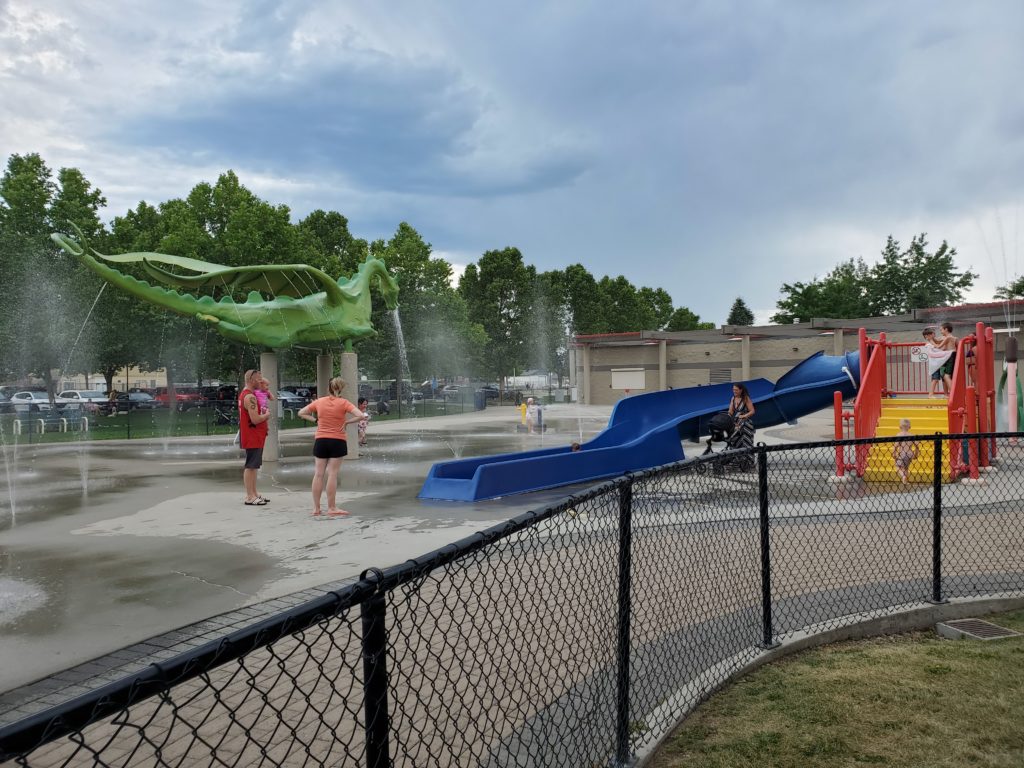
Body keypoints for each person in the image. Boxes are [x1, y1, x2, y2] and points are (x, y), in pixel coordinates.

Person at [297, 377, 368, 517]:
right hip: (337, 440)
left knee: (318, 474)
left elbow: (301, 412)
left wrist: (315, 420)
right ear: (341, 388)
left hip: (321, 440)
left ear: (328, 388)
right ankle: (332, 507)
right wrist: (347, 423)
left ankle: (316, 508)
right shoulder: (344, 403)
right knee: (332, 474)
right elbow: (361, 415)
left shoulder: (319, 401)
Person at [239, 369, 271, 506]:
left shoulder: (248, 395)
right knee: (251, 466)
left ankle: (254, 493)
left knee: (254, 466)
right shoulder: (250, 397)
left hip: (255, 435)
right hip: (252, 436)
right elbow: (255, 419)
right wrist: (266, 415)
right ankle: (249, 496)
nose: (262, 381)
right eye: (259, 379)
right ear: (252, 380)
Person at [727, 383, 756, 452]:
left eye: (736, 390)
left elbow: (752, 411)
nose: (734, 391)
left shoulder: (746, 398)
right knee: (735, 441)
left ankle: (748, 460)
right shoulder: (733, 398)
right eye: (733, 390)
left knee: (746, 442)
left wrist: (744, 416)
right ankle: (737, 460)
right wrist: (727, 417)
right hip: (736, 423)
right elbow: (730, 411)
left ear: (741, 390)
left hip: (746, 424)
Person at [892, 418, 919, 484]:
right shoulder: (912, 435)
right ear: (909, 427)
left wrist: (894, 453)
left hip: (902, 453)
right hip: (910, 454)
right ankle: (906, 481)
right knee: (905, 468)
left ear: (900, 427)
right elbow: (917, 446)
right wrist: (916, 454)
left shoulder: (899, 435)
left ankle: (904, 476)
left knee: (898, 466)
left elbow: (896, 445)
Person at [937, 322, 959, 393]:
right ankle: (946, 394)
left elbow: (938, 345)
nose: (940, 332)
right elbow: (938, 342)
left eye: (941, 330)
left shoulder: (950, 337)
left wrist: (931, 341)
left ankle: (953, 394)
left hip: (950, 356)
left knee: (947, 376)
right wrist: (931, 338)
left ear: (946, 329)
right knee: (944, 375)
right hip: (947, 356)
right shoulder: (949, 338)